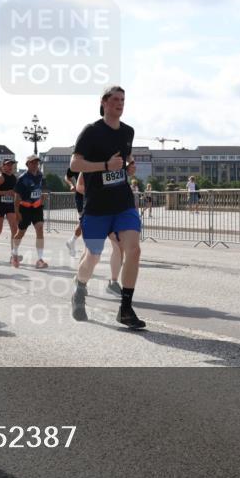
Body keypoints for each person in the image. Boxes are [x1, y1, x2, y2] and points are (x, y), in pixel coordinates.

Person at [69, 85, 146, 329]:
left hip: (123, 202)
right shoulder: (91, 131)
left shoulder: (128, 131)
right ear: (103, 102)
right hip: (97, 206)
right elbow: (75, 163)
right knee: (92, 256)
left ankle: (125, 308)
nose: (120, 103)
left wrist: (130, 166)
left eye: (123, 99)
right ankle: (80, 287)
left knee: (133, 250)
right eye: (115, 99)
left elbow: (127, 156)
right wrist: (105, 166)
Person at [11, 155, 48, 268]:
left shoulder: (41, 176)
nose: (35, 165)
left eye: (37, 163)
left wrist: (42, 199)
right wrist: (17, 213)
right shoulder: (22, 179)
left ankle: (40, 259)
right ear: (27, 164)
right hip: (25, 209)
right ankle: (14, 254)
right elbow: (17, 197)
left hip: (37, 208)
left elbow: (44, 189)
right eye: (32, 163)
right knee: (20, 233)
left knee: (40, 229)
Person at [64, 167, 84, 257]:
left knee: (84, 222)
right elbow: (66, 177)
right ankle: (89, 250)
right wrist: (71, 185)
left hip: (92, 196)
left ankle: (71, 241)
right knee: (85, 221)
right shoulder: (76, 164)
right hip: (81, 198)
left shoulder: (95, 161)